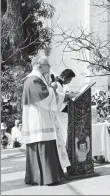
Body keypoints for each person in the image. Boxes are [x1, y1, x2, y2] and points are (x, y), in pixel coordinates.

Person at [21, 56, 70, 186]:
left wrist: (64, 97)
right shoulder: (32, 80)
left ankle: (51, 176)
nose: (49, 68)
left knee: (48, 145)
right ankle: (47, 178)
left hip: (43, 118)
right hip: (39, 121)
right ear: (39, 65)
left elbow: (47, 93)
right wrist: (53, 89)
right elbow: (44, 98)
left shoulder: (37, 78)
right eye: (47, 65)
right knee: (44, 145)